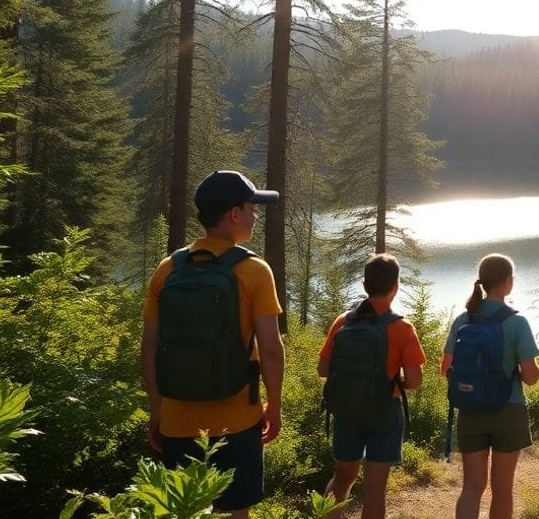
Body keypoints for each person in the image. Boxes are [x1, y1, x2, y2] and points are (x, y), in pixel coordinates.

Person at [140, 170, 286, 519]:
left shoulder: (167, 269)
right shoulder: (254, 270)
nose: (255, 214)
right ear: (234, 214)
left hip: (176, 422)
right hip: (236, 421)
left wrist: (158, 411)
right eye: (252, 207)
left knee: (187, 513)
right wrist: (275, 406)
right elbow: (270, 349)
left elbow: (149, 350)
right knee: (235, 513)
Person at [317, 253, 426, 519]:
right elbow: (414, 382)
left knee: (342, 478)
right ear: (395, 287)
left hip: (346, 409)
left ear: (365, 285)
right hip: (384, 411)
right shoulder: (403, 328)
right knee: (375, 489)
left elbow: (323, 369)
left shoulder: (344, 322)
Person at [440, 254, 539, 519]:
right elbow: (531, 377)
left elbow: (445, 370)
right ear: (509, 283)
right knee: (503, 489)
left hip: (471, 410)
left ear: (483, 282)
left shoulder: (464, 320)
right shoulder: (517, 322)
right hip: (509, 409)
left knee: (471, 487)